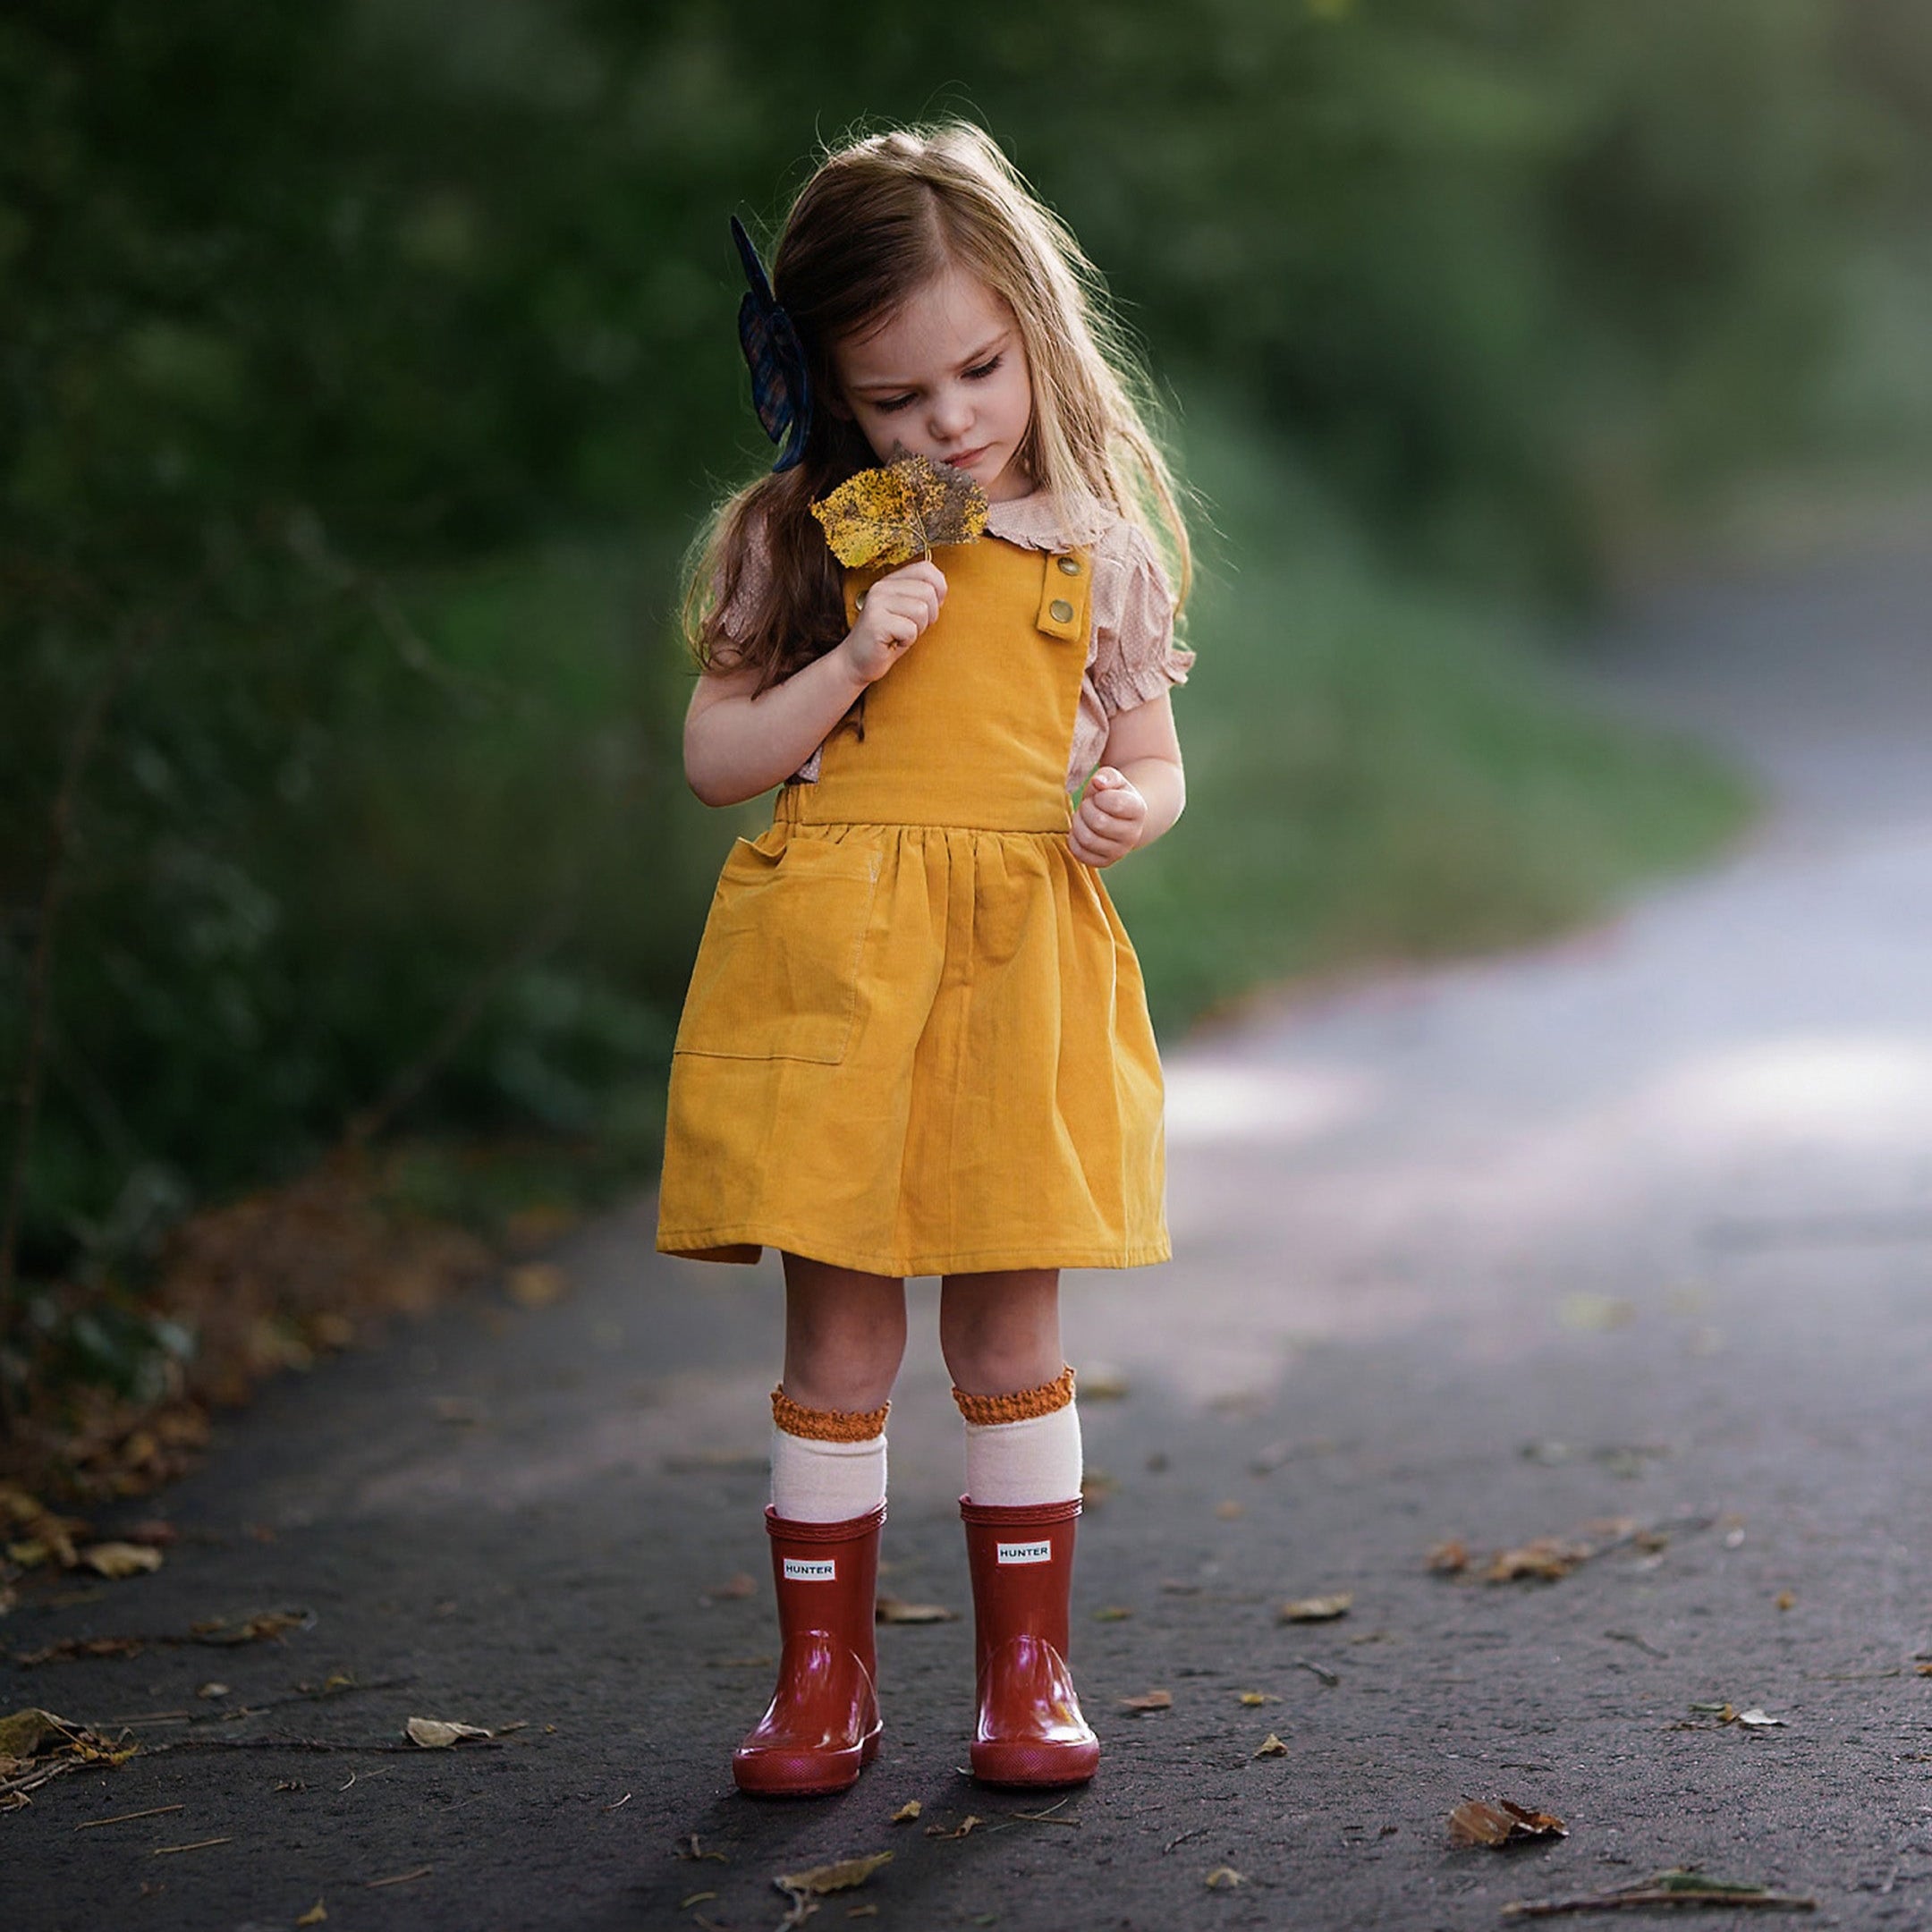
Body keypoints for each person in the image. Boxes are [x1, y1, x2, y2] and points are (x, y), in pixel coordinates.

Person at [659, 121, 1193, 1799]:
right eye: (898, 401)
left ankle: (1027, 1675)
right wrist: (853, 657)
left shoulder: (1093, 548)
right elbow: (718, 758)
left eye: (977, 370)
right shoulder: (807, 537)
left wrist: (1127, 806)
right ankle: (823, 1685)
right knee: (838, 1348)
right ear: (831, 391)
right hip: (839, 980)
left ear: (1034, 324)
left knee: (1010, 1336)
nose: (951, 420)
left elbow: (1157, 759)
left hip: (1014, 967)